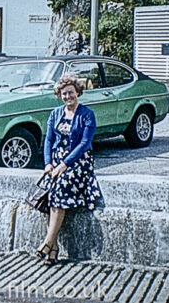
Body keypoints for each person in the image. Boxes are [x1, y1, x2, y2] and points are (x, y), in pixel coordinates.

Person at [36, 73, 102, 266]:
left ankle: (48, 243)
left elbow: (84, 143)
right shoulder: (55, 114)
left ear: (78, 93)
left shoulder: (87, 114)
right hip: (56, 161)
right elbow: (48, 140)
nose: (67, 97)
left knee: (61, 186)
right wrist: (48, 164)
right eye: (64, 94)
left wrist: (64, 165)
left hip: (78, 161)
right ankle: (52, 248)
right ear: (60, 95)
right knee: (49, 194)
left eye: (71, 93)